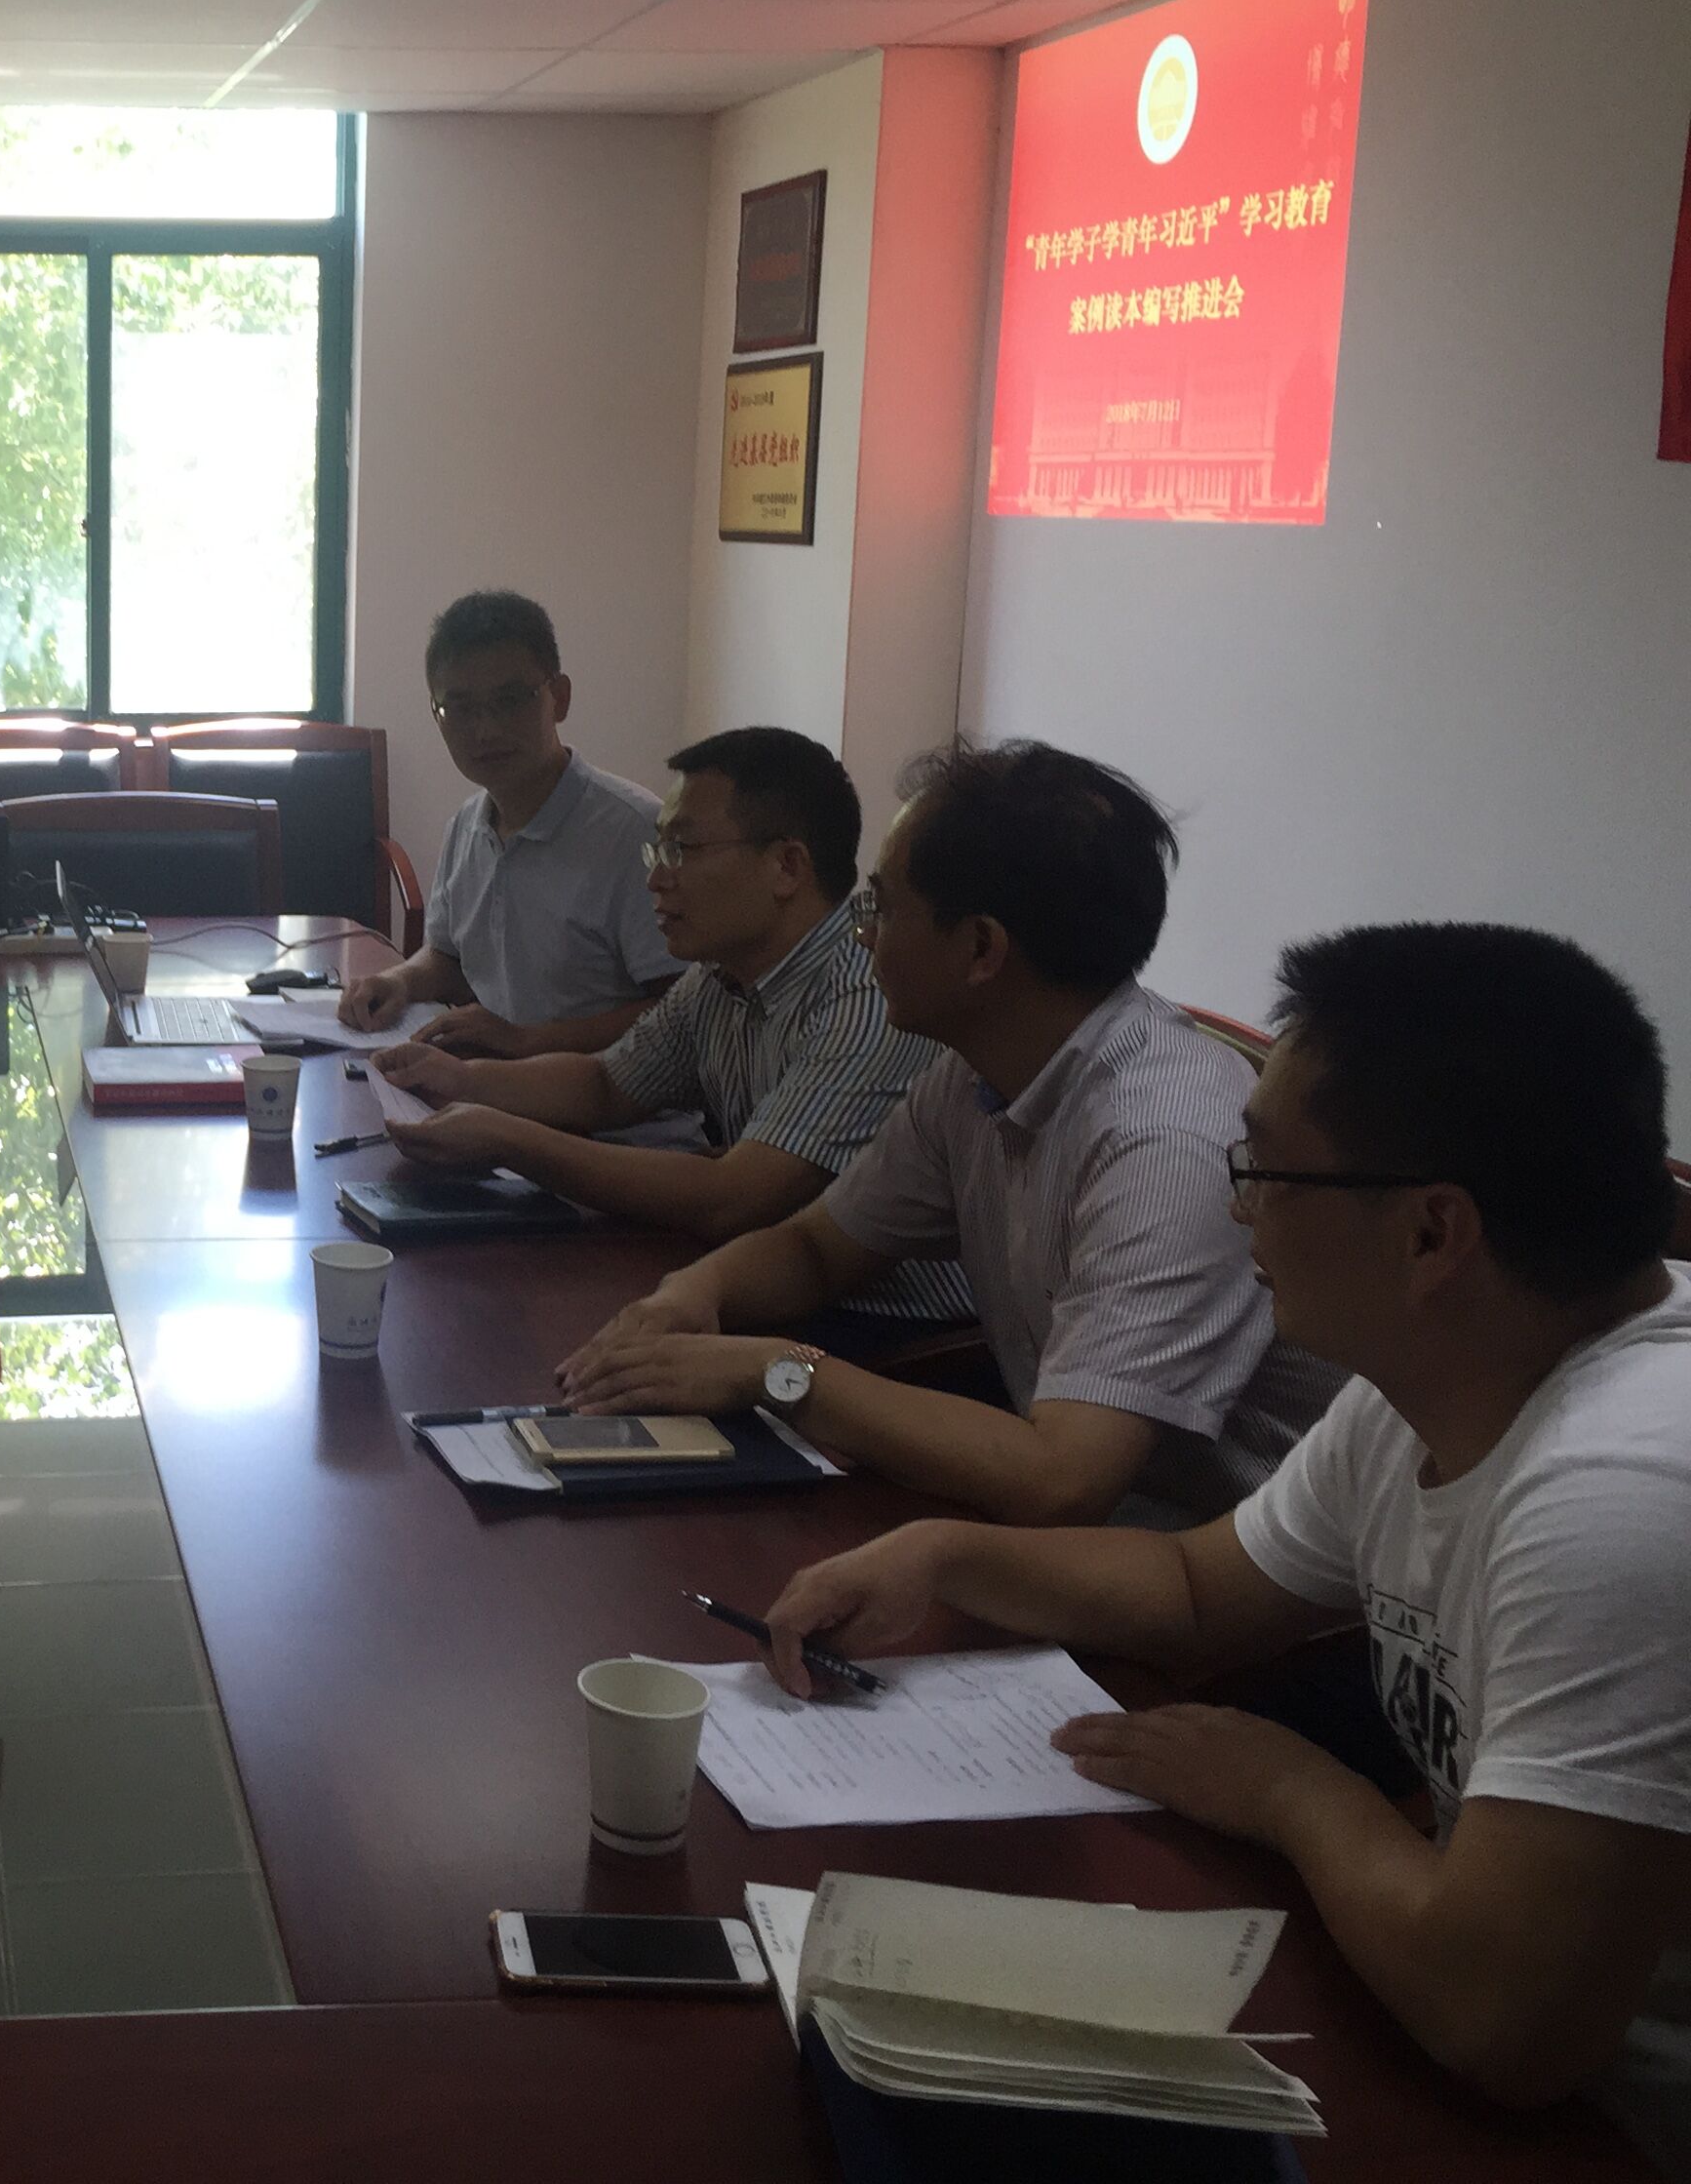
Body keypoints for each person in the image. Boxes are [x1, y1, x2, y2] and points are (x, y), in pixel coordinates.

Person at [759, 924, 1691, 2167]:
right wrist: (943, 1556)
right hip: (1451, 2037)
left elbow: (1505, 2027)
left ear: (1432, 1235)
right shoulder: (1449, 1365)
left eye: (1266, 1171)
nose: (1237, 1205)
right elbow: (1201, 1588)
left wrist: (1292, 1790)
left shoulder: (1624, 1491)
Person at [556, 738, 1339, 1529]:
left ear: (980, 949)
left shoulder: (1162, 1144)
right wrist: (695, 1293)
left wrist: (778, 1372)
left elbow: (1063, 1477)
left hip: (1225, 1562)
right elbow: (818, 1247)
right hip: (1088, 1519)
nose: (862, 937)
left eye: (881, 909)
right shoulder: (974, 1073)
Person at [375, 727, 967, 1345]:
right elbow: (606, 1084)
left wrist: (509, 1139)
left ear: (786, 867)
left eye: (682, 849)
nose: (656, 879)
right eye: (657, 850)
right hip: (761, 1284)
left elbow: (733, 1198)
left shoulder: (864, 996)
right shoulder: (719, 973)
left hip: (900, 1333)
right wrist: (461, 1080)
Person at [337, 590, 677, 1057]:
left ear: (559, 698)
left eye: (511, 700)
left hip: (607, 1100)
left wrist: (526, 1042)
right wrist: (399, 981)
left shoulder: (635, 832)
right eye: (459, 707)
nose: (486, 730)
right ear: (436, 715)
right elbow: (449, 957)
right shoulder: (466, 826)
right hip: (487, 1083)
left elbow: (682, 1011)